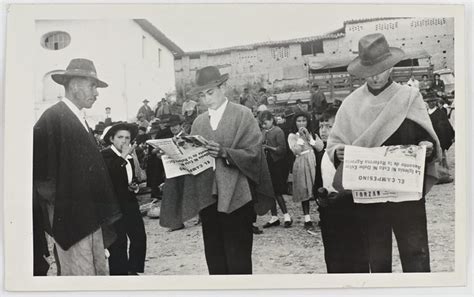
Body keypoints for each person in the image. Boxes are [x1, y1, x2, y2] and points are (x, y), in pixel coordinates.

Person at [327, 33, 441, 273]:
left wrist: (427, 148)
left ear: (390, 67)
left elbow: (427, 139)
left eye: (380, 69)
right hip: (370, 197)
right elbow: (334, 143)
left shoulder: (409, 97)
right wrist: (339, 153)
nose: (375, 76)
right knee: (377, 259)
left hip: (406, 193)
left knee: (416, 254)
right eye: (369, 71)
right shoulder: (351, 104)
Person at [161, 66, 274, 274]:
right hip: (207, 198)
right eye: (202, 95)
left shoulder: (243, 115)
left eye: (210, 92)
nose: (206, 100)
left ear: (223, 88)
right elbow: (192, 162)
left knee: (238, 259)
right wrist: (175, 154)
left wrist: (225, 153)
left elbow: (254, 154)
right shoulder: (198, 122)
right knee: (215, 259)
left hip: (237, 197)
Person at [33, 58, 121, 275]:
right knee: (79, 275)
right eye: (92, 85)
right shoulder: (52, 117)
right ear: (73, 85)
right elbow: (39, 171)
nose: (96, 93)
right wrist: (60, 209)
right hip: (71, 218)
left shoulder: (79, 118)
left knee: (96, 270)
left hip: (90, 214)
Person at [315, 105, 369, 273]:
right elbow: (320, 181)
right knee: (332, 256)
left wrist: (343, 197)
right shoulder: (323, 152)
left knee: (353, 256)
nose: (323, 130)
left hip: (349, 211)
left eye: (329, 126)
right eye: (321, 126)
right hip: (328, 211)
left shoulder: (348, 152)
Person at [101, 123, 147, 275]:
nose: (124, 141)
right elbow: (111, 174)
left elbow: (128, 177)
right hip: (113, 205)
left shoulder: (128, 155)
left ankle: (133, 269)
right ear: (112, 139)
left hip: (129, 201)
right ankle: (119, 274)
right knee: (118, 242)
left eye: (127, 138)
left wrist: (133, 186)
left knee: (139, 236)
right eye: (120, 137)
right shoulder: (105, 155)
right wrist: (123, 156)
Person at [288, 111, 324, 231]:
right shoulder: (292, 136)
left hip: (312, 161)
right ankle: (307, 219)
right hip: (301, 162)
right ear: (295, 122)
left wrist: (309, 138)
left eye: (304, 120)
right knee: (304, 188)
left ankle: (322, 216)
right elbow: (296, 151)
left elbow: (319, 147)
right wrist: (301, 138)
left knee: (317, 187)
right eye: (299, 121)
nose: (302, 123)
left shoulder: (312, 134)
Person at [259, 110, 293, 228]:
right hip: (266, 164)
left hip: (277, 165)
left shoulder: (278, 131)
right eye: (262, 124)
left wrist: (268, 147)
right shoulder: (263, 131)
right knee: (269, 191)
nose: (264, 125)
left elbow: (282, 150)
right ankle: (274, 217)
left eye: (265, 123)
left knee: (277, 191)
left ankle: (287, 216)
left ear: (272, 120)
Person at [425, 92, 455, 184]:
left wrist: (448, 138)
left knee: (441, 157)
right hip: (429, 139)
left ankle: (444, 176)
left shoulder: (440, 113)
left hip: (440, 138)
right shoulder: (425, 113)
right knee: (431, 158)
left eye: (433, 101)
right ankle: (433, 176)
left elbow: (446, 126)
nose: (432, 103)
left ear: (436, 102)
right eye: (430, 101)